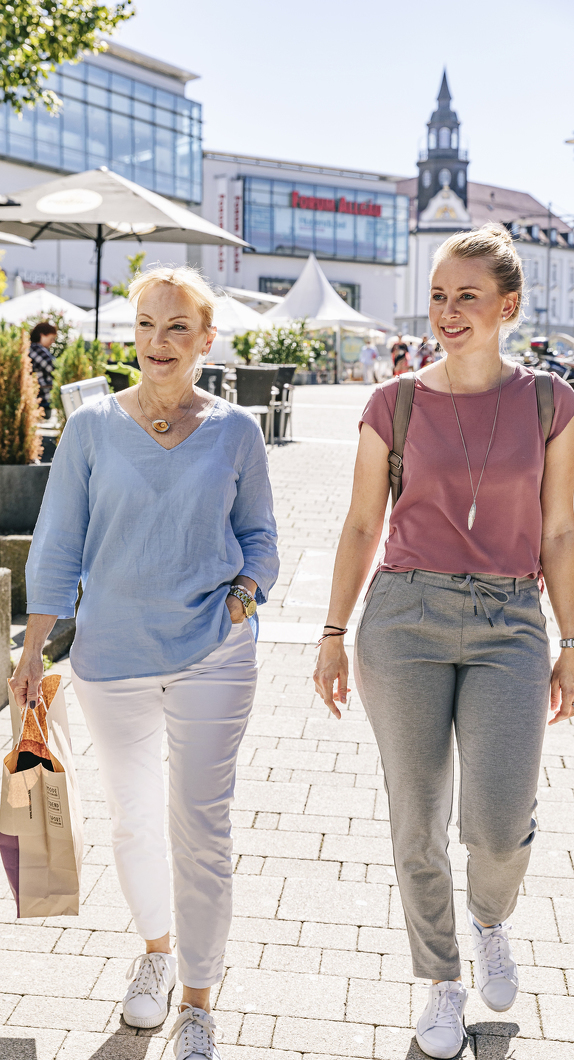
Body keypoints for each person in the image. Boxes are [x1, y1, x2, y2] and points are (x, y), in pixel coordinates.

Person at [313, 223, 574, 1060]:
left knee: (498, 826)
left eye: (467, 296)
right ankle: (441, 980)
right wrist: (328, 633)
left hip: (509, 622)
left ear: (508, 306)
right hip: (403, 621)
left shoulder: (550, 402)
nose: (449, 312)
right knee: (416, 823)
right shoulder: (395, 402)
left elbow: (561, 533)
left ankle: (491, 918)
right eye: (437, 296)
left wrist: (572, 639)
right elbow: (361, 523)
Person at [12, 266, 279, 1060]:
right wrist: (31, 651)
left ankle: (199, 1001)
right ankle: (158, 955)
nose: (157, 342)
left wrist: (246, 593)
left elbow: (260, 535)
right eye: (146, 324)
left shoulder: (237, 430)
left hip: (214, 654)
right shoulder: (93, 427)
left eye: (176, 327)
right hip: (112, 657)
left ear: (206, 339)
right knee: (133, 821)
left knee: (201, 827)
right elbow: (59, 543)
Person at [29, 320, 58, 417]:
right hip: (42, 399)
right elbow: (54, 369)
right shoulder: (37, 349)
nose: (52, 342)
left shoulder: (35, 349)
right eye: (51, 338)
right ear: (42, 335)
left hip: (39, 398)